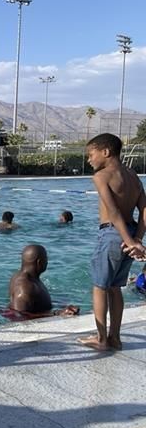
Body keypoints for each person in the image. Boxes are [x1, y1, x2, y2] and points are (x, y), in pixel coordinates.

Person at [80, 133, 146, 351]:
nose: (89, 160)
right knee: (115, 287)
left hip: (112, 234)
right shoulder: (133, 176)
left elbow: (114, 212)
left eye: (91, 154)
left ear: (106, 152)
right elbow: (144, 210)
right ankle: (115, 338)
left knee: (100, 286)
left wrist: (129, 241)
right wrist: (136, 239)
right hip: (130, 232)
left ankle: (101, 339)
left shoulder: (101, 176)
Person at [8, 244, 80, 319]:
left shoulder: (30, 278)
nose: (47, 262)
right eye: (46, 258)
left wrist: (63, 307)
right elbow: (19, 316)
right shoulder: (24, 287)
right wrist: (58, 313)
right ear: (39, 262)